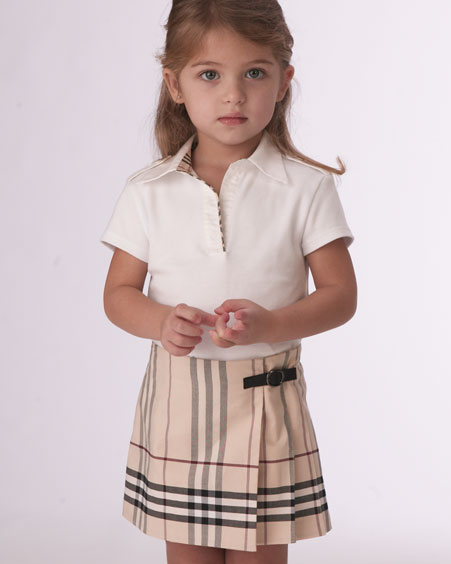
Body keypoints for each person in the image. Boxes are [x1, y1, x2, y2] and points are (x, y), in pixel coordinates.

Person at [100, 1, 357, 563]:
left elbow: (341, 297)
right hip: (180, 409)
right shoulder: (147, 190)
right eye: (210, 74)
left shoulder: (307, 187)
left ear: (284, 81)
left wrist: (271, 324)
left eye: (254, 72)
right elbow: (118, 296)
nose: (233, 95)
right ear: (175, 84)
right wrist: (161, 322)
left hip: (267, 406)